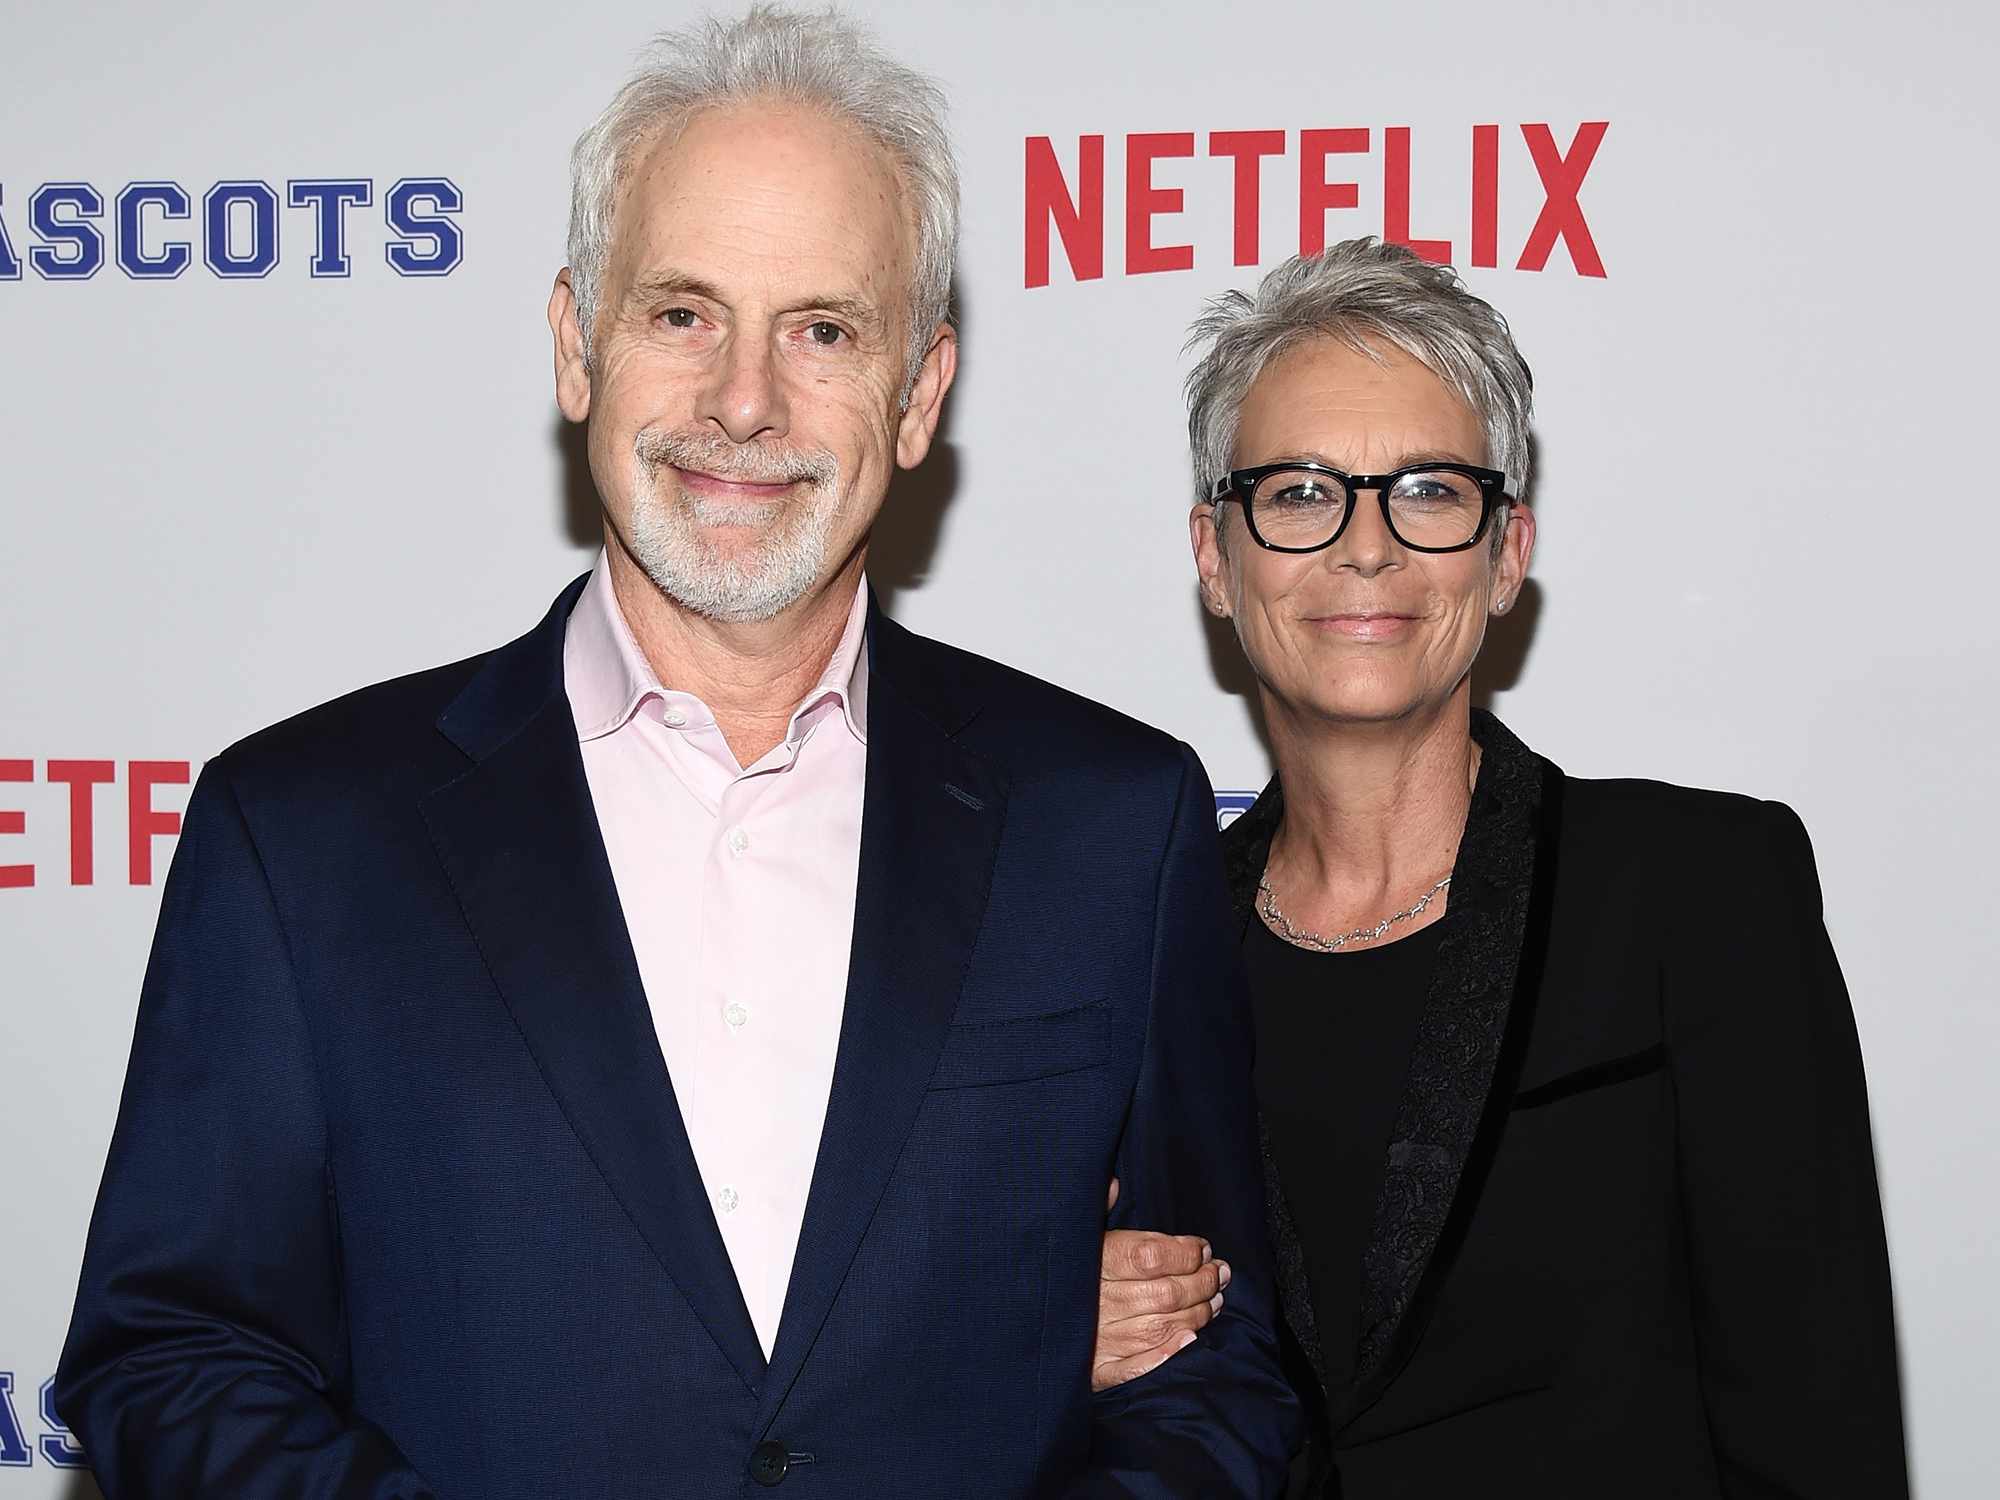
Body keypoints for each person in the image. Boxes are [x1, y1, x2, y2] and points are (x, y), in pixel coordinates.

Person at [53, 9, 1298, 1496]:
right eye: (682, 313)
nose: (745, 402)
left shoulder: (1110, 820)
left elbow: (1223, 1382)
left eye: (823, 330)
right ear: (578, 346)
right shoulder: (304, 831)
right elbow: (172, 1356)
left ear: (918, 395)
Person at [1090, 239, 1908, 1497]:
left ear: (1505, 549)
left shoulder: (1700, 895)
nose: (1364, 547)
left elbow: (1819, 1434)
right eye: (1300, 492)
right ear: (1215, 556)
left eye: (1425, 489)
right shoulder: (1138, 954)